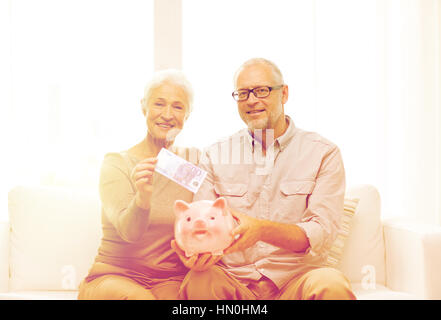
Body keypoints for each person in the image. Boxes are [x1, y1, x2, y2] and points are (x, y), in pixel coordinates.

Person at [173, 58, 356, 300]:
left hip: (296, 280)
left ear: (284, 94)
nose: (251, 100)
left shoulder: (323, 153)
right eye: (243, 93)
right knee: (199, 282)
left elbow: (321, 233)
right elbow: (201, 220)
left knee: (331, 285)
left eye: (262, 90)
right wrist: (196, 253)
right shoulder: (215, 154)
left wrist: (262, 231)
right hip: (234, 280)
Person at [78, 69, 200, 300]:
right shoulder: (117, 163)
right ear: (143, 107)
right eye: (159, 104)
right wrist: (142, 199)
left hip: (167, 280)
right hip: (113, 277)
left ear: (188, 114)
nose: (167, 114)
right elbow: (129, 232)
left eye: (177, 106)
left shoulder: (192, 163)